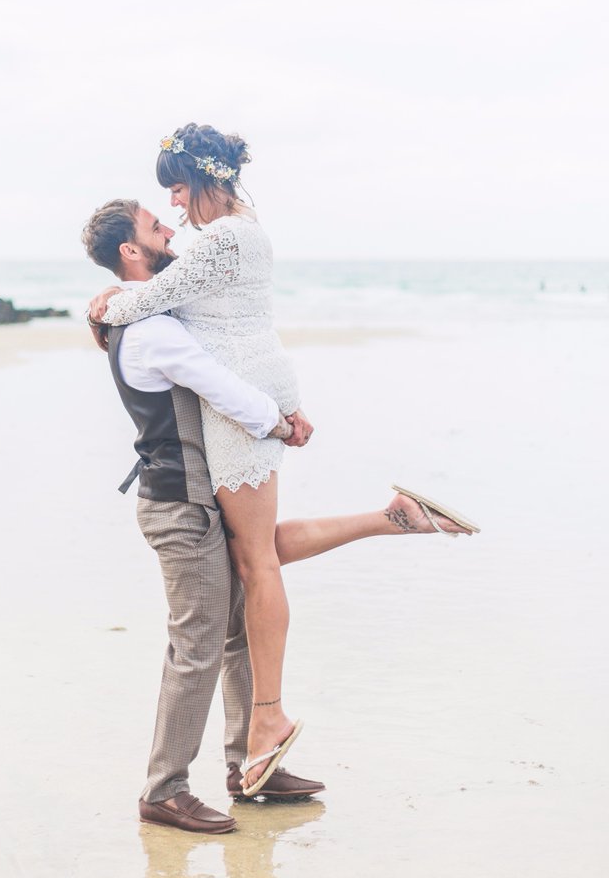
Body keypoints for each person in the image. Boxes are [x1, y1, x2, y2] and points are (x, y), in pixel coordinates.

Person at [88, 125, 480, 795]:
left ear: (204, 179)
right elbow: (174, 300)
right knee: (257, 552)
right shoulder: (236, 230)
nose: (174, 208)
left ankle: (267, 721)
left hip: (242, 407)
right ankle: (392, 518)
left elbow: (148, 300)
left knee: (256, 563)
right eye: (163, 206)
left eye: (177, 190)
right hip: (255, 395)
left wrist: (105, 303)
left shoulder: (222, 238)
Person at [81, 197, 325, 833]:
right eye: (154, 227)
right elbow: (221, 384)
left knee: (235, 633)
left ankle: (251, 765)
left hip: (196, 500)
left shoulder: (150, 312)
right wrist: (280, 423)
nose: (170, 230)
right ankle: (164, 789)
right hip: (178, 507)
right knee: (196, 648)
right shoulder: (153, 331)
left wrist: (110, 298)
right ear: (131, 251)